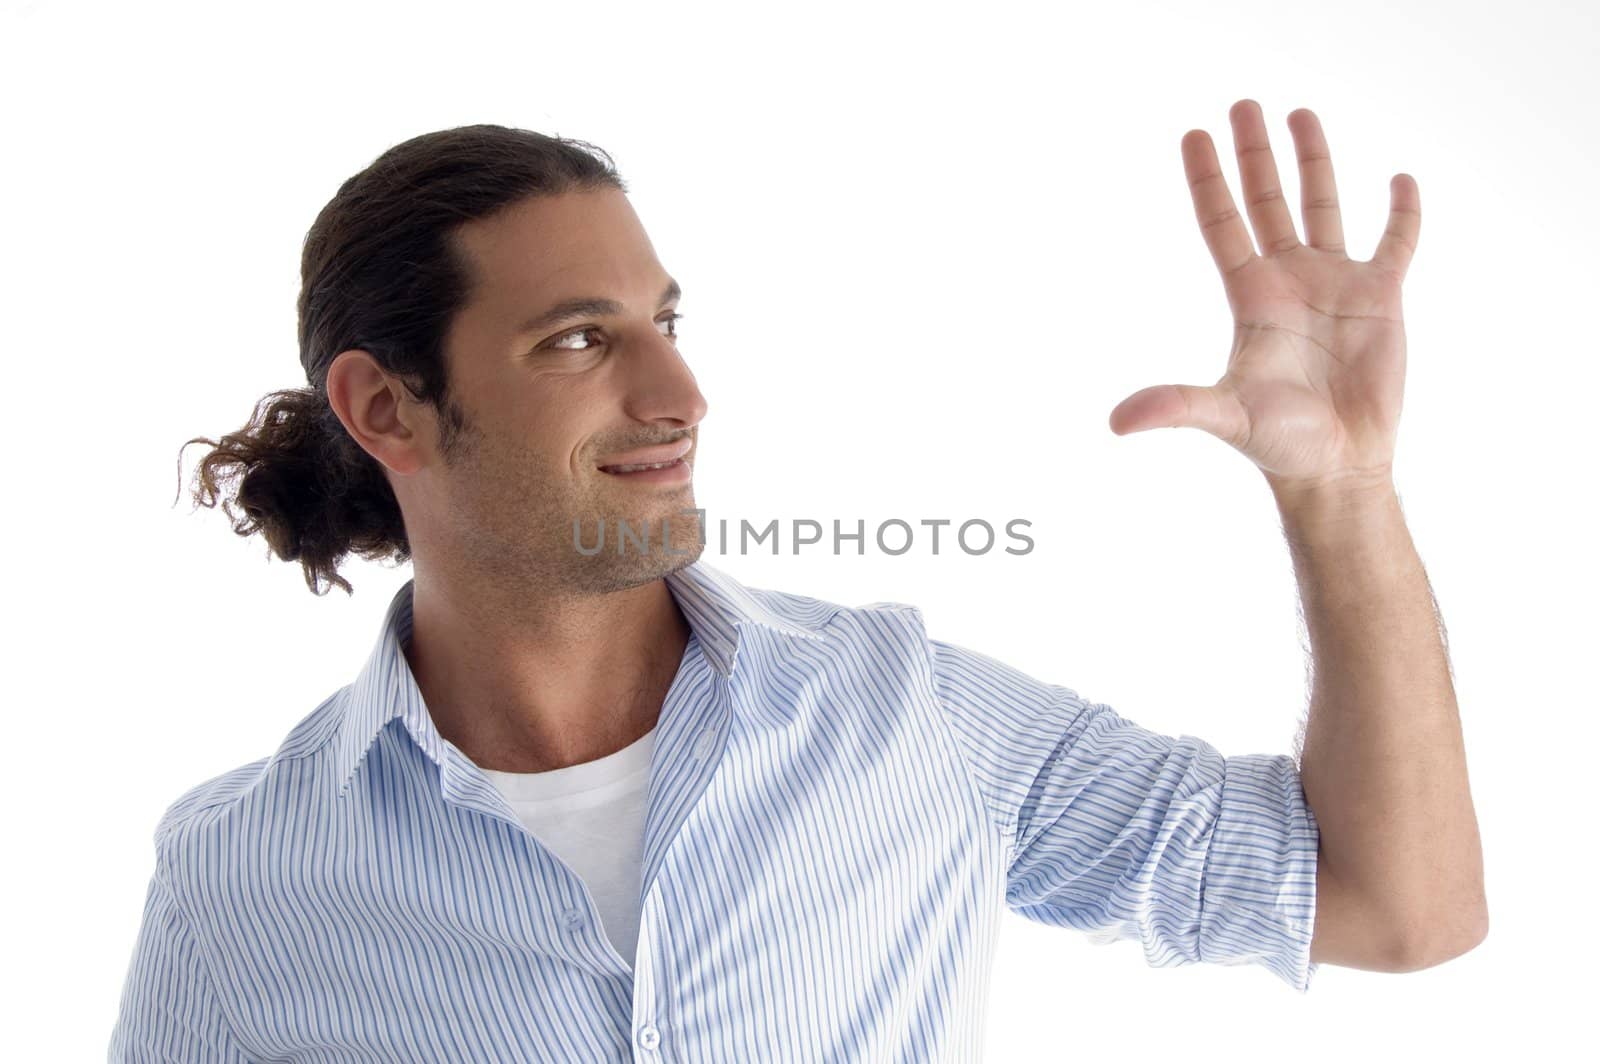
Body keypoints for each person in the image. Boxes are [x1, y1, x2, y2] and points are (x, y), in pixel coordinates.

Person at [110, 100, 1486, 1060]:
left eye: (666, 321)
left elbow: (1395, 909)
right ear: (387, 409)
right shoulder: (240, 876)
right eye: (581, 340)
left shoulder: (908, 714)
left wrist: (1341, 491)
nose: (680, 394)